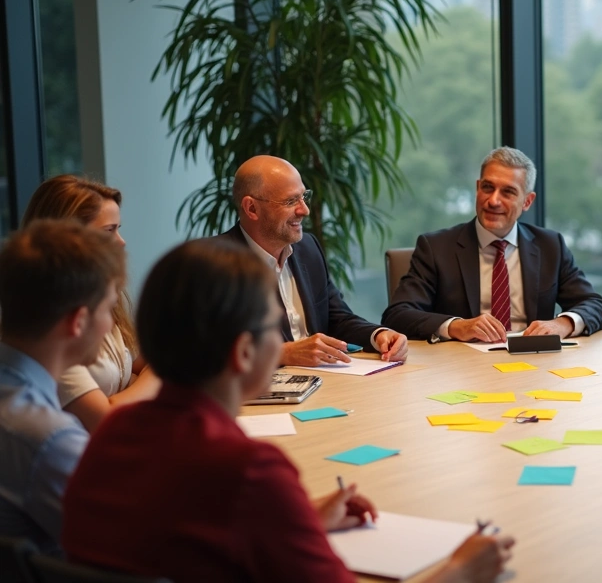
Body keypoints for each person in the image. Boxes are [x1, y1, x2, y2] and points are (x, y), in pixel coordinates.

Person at [62, 239, 514, 582]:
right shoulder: (249, 470)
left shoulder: (114, 433)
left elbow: (190, 528)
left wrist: (297, 520)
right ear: (244, 352)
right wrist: (461, 571)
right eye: (270, 326)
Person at [383, 147, 602, 343]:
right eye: (488, 187)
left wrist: (563, 324)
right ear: (477, 188)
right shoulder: (436, 248)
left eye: (508, 192)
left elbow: (596, 305)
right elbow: (398, 315)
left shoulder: (550, 246)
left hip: (532, 363)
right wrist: (456, 326)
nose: (493, 201)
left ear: (527, 201)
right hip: (462, 367)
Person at [0, 220, 124, 552]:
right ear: (78, 322)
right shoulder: (50, 441)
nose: (110, 324)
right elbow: (132, 546)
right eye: (108, 309)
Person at [216, 155, 409, 366]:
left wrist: (379, 335)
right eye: (290, 201)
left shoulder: (308, 248)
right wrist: (282, 353)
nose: (304, 210)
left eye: (303, 197)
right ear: (252, 208)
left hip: (324, 379)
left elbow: (338, 319)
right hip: (262, 384)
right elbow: (203, 351)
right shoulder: (213, 264)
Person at [20, 174, 160, 432]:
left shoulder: (100, 297)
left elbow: (141, 363)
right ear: (69, 238)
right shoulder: (48, 325)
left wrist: (129, 390)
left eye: (119, 228)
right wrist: (154, 378)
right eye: (109, 231)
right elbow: (105, 420)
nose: (121, 241)